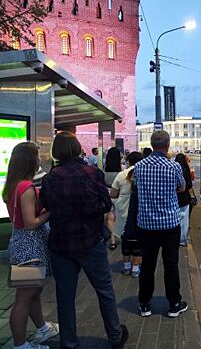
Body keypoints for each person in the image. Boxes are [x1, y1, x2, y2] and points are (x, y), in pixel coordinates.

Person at [40, 132, 128, 349]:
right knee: (104, 291)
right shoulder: (91, 173)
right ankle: (115, 336)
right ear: (77, 148)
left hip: (61, 245)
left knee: (65, 296)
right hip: (90, 242)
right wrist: (88, 211)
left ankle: (69, 343)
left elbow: (47, 206)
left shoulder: (49, 178)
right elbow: (106, 204)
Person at [2, 142, 59, 349]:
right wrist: (51, 210)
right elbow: (31, 222)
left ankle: (42, 328)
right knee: (24, 298)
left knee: (32, 292)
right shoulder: (26, 188)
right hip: (30, 248)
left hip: (20, 244)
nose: (39, 160)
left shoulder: (13, 185)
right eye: (36, 156)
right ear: (29, 160)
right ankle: (21, 345)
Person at [135, 130, 188, 318]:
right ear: (167, 145)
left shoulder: (139, 166)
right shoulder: (173, 167)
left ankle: (144, 304)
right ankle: (174, 304)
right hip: (169, 225)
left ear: (151, 144)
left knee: (147, 265)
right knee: (171, 264)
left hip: (146, 225)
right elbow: (182, 187)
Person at [110, 151, 144, 277]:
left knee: (126, 239)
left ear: (128, 161)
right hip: (140, 213)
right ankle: (135, 269)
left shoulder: (121, 175)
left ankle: (126, 267)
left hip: (123, 211)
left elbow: (113, 194)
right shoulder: (143, 173)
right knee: (137, 240)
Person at [105, 147, 123, 250]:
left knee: (110, 218)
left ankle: (112, 241)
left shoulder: (105, 169)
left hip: (108, 195)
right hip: (119, 195)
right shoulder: (122, 169)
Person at [174, 154, 193, 246]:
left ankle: (174, 238)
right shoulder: (185, 170)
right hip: (184, 197)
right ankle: (182, 239)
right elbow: (189, 185)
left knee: (174, 219)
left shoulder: (173, 169)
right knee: (184, 219)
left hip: (174, 198)